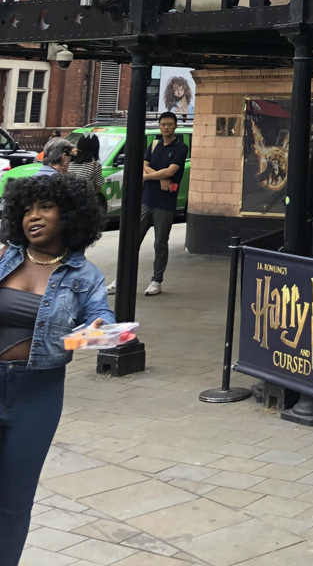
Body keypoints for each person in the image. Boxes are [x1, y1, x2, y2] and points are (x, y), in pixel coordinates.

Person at [0, 173, 112, 565]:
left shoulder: (85, 277)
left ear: (68, 215)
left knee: (14, 502)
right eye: (27, 209)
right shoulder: (3, 256)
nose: (34, 216)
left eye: (45, 207)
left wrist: (98, 331)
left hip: (38, 395)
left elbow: (100, 319)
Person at [137, 112, 186, 297]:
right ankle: (122, 278)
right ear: (159, 126)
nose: (166, 127)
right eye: (163, 124)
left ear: (175, 126)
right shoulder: (154, 144)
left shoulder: (181, 147)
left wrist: (151, 176)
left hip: (165, 203)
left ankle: (156, 280)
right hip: (146, 200)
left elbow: (171, 171)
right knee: (134, 239)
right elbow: (145, 164)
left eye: (169, 124)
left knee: (160, 243)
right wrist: (160, 178)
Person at [68, 134, 107, 221]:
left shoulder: (69, 163)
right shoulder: (94, 165)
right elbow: (98, 189)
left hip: (69, 201)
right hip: (86, 203)